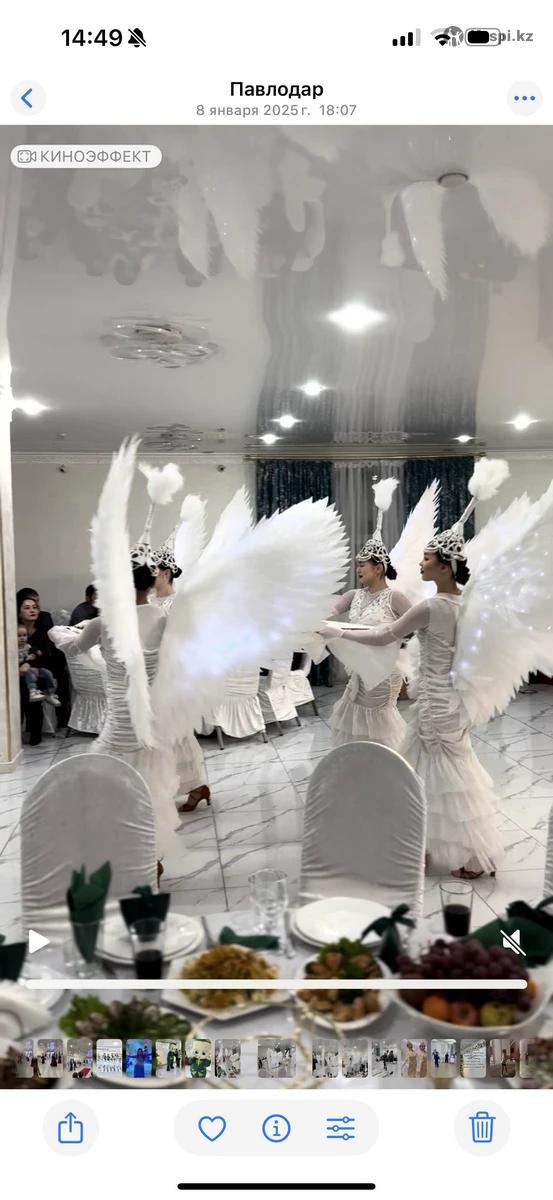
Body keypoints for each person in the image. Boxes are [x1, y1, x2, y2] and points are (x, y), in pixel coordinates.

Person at [319, 461, 514, 880]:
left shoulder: (431, 606)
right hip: (447, 698)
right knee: (428, 772)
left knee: (448, 774)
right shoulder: (463, 604)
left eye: (426, 559)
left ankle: (472, 854)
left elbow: (386, 635)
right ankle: (422, 845)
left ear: (444, 566)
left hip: (437, 704)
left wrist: (340, 632)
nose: (420, 564)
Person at [49, 562, 180, 875]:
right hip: (151, 721)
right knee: (148, 790)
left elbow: (72, 648)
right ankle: (150, 857)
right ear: (150, 584)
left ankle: (130, 856)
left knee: (108, 790)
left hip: (121, 724)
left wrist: (55, 631)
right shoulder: (162, 617)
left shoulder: (105, 622)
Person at [327, 478, 439, 749]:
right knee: (352, 716)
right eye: (357, 565)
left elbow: (421, 626)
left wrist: (408, 650)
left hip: (385, 671)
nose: (357, 569)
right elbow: (329, 611)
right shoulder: (353, 595)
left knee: (377, 723)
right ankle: (361, 765)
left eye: (362, 565)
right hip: (358, 670)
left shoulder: (395, 597)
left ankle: (387, 765)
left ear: (378, 568)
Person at [150, 522, 211, 814]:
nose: (149, 577)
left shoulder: (179, 603)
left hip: (174, 675)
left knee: (176, 733)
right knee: (163, 735)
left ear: (166, 573)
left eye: (153, 571)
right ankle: (183, 785)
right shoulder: (150, 602)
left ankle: (192, 785)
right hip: (153, 675)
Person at [18, 622, 61, 706]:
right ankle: (32, 691)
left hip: (33, 668)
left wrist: (36, 653)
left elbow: (34, 652)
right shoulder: (13, 648)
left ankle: (49, 693)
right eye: (19, 636)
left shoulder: (28, 646)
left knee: (47, 672)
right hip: (25, 671)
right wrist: (24, 661)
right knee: (30, 674)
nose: (22, 638)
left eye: (24, 635)